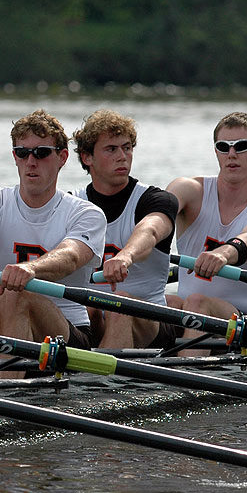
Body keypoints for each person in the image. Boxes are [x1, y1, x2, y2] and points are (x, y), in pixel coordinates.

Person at [0, 109, 105, 362]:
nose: (31, 161)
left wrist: (30, 270)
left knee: (16, 294)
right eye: (22, 152)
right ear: (15, 157)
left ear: (62, 157)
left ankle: (7, 390)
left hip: (66, 335)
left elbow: (71, 256)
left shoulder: (86, 213)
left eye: (41, 153)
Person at [166, 112, 247, 353]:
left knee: (196, 301)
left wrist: (223, 254)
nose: (231, 154)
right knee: (161, 301)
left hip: (244, 321)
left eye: (242, 146)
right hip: (190, 312)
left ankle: (187, 378)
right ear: (216, 152)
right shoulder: (190, 189)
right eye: (223, 147)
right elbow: (156, 217)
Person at [72, 109, 179, 349]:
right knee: (86, 308)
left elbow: (150, 231)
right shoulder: (72, 204)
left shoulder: (156, 200)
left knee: (117, 303)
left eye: (127, 147)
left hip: (151, 322)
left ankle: (103, 385)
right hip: (92, 317)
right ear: (87, 157)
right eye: (111, 149)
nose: (123, 156)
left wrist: (125, 256)